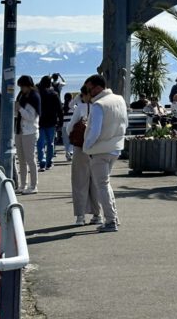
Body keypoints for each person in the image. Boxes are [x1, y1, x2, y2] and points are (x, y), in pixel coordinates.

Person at [82, 74, 128, 232]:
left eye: (89, 89)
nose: (89, 92)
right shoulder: (119, 99)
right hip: (115, 147)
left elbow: (95, 131)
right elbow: (125, 122)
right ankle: (113, 217)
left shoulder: (98, 105)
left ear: (98, 87)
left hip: (100, 150)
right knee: (105, 184)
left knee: (102, 185)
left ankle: (110, 221)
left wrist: (86, 146)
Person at [68, 85, 101, 226]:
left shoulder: (80, 108)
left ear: (84, 95)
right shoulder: (100, 107)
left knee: (79, 182)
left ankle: (80, 216)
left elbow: (69, 128)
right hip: (97, 149)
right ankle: (97, 214)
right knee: (95, 182)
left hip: (81, 148)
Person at [15, 75, 40, 194]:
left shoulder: (34, 97)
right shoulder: (22, 96)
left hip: (30, 131)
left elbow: (31, 117)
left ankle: (33, 185)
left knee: (30, 159)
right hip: (20, 130)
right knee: (21, 159)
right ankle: (23, 184)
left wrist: (19, 108)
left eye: (22, 86)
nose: (21, 89)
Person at [37, 76, 63, 171]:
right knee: (50, 143)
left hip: (40, 122)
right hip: (51, 122)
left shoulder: (38, 94)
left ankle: (42, 161)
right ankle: (49, 162)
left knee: (40, 143)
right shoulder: (54, 94)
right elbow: (60, 109)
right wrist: (60, 121)